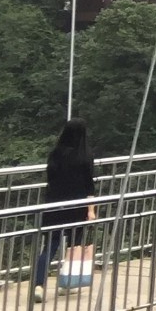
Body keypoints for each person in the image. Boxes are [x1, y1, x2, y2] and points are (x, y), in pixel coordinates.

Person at [33, 119, 95, 301]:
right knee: (73, 246)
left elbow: (51, 179)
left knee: (50, 247)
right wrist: (91, 210)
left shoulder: (55, 154)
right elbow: (89, 186)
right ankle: (67, 283)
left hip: (53, 205)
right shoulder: (85, 155)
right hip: (77, 207)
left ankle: (39, 285)